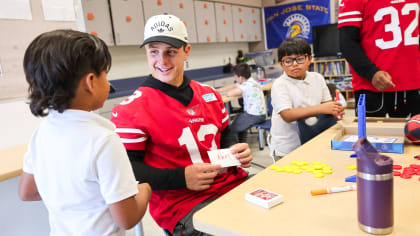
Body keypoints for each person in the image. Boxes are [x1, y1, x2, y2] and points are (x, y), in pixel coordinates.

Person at [110, 14, 252, 235]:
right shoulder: (131, 109)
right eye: (154, 51)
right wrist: (181, 177)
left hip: (232, 185)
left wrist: (235, 151)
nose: (162, 61)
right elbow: (127, 169)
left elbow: (225, 134)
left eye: (171, 52)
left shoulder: (210, 95)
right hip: (183, 204)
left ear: (186, 51)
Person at [18, 29, 152, 235]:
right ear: (91, 82)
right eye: (105, 75)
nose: (108, 83)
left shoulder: (42, 132)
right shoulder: (104, 140)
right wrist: (145, 190)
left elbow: (27, 191)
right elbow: (127, 218)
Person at [338, 0, 420, 117]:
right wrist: (371, 72)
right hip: (372, 87)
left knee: (413, 134)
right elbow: (347, 42)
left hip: (413, 84)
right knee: (372, 134)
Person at [269, 38, 345, 157]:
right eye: (288, 61)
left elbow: (327, 105)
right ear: (281, 64)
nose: (294, 64)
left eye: (299, 59)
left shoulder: (317, 78)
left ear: (310, 59)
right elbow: (287, 115)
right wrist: (321, 108)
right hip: (289, 147)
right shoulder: (280, 84)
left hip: (314, 140)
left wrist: (335, 110)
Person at [218, 63, 267, 142]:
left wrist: (224, 92)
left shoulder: (246, 86)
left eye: (235, 77)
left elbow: (230, 93)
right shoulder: (252, 82)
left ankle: (234, 147)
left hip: (253, 115)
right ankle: (242, 143)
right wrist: (217, 90)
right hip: (260, 114)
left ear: (241, 78)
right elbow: (233, 85)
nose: (235, 78)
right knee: (239, 121)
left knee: (231, 129)